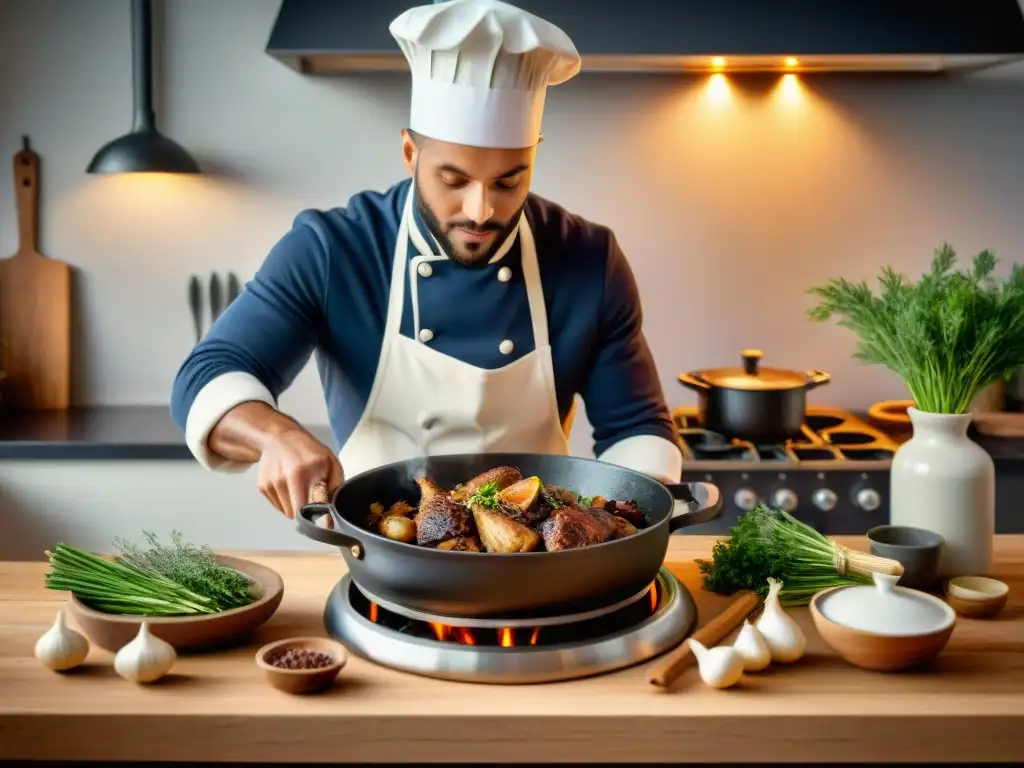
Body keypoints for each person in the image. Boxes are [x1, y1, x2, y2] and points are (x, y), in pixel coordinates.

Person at [169, 0, 683, 520]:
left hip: (542, 564)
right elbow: (209, 373)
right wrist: (277, 436)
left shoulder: (589, 259)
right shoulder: (334, 249)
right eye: (453, 179)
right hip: (379, 556)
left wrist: (627, 518)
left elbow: (635, 427)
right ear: (411, 153)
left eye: (509, 181)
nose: (480, 211)